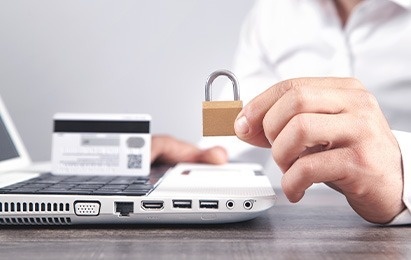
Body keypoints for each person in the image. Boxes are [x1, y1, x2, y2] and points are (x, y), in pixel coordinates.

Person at [151, 0, 411, 225]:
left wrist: (402, 175)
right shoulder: (274, 12)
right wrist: (187, 170)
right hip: (303, 224)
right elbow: (240, 138)